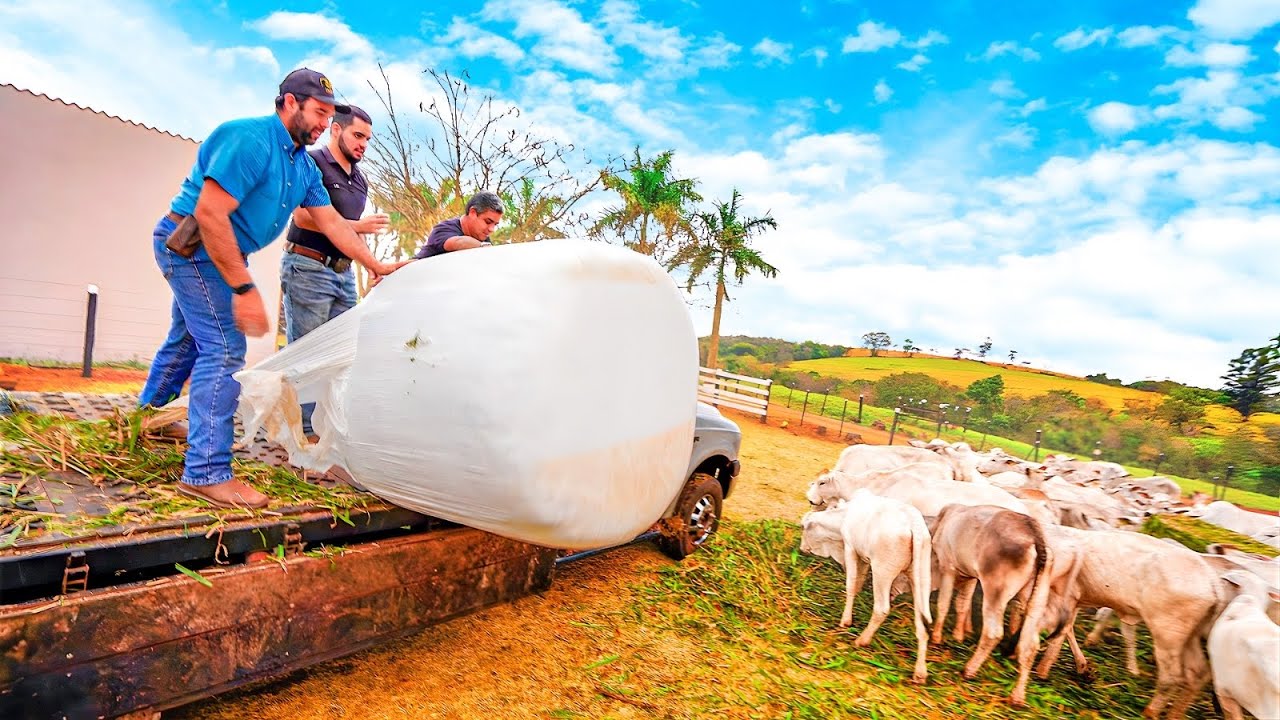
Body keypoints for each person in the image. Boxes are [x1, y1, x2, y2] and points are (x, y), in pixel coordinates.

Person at [139, 68, 409, 510]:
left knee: (187, 338)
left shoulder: (302, 166)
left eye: (328, 115)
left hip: (218, 251)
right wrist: (244, 287)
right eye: (319, 113)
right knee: (225, 348)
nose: (324, 123)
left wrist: (377, 265)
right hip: (191, 245)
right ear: (289, 102)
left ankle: (146, 418)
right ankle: (206, 472)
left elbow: (333, 225)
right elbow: (209, 213)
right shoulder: (248, 139)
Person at [280, 104, 386, 439]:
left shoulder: (360, 181)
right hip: (308, 266)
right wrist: (359, 225)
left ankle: (328, 429)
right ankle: (304, 436)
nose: (363, 144)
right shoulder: (311, 162)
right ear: (335, 130)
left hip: (342, 274)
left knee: (341, 354)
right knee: (308, 353)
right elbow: (303, 217)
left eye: (367, 139)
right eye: (357, 135)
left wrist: (372, 266)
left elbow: (349, 233)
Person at [414, 190, 503, 259]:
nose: (491, 229)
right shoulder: (444, 229)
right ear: (472, 213)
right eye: (488, 222)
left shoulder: (483, 238)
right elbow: (456, 243)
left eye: (495, 224)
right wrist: (484, 247)